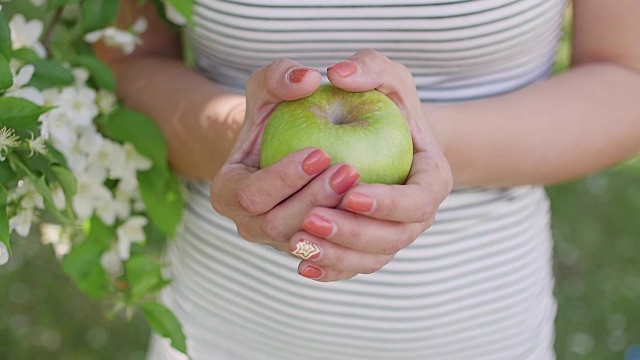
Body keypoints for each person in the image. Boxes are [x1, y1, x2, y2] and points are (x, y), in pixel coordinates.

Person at [96, 0, 640, 359]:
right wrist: (244, 140)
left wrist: (427, 142)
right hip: (221, 327)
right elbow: (125, 64)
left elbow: (626, 79)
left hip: (476, 328)